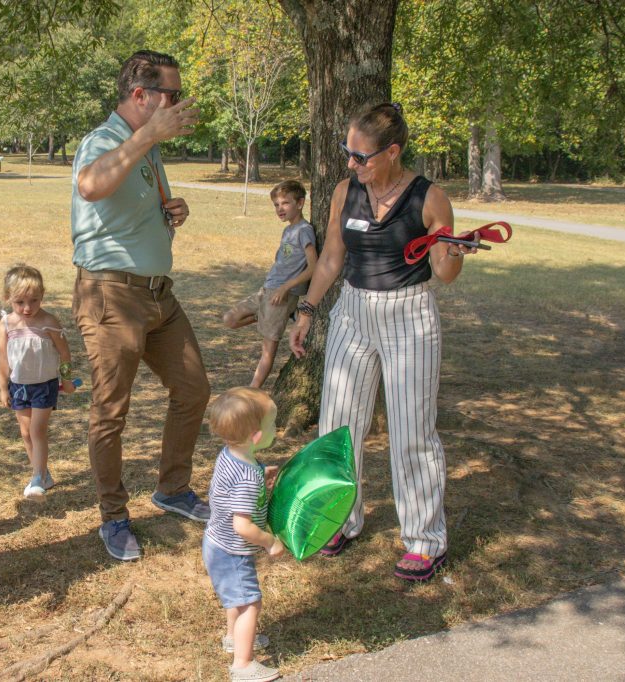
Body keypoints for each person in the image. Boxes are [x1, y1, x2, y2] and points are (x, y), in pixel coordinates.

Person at [290, 102, 475, 582]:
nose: (351, 163)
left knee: (412, 430)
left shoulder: (429, 199)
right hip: (352, 309)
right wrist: (308, 311)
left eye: (361, 156)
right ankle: (341, 520)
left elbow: (444, 274)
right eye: (347, 153)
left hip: (408, 315)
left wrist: (452, 253)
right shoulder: (344, 192)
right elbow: (331, 258)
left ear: (392, 152)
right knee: (337, 424)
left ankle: (424, 540)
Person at [71, 50, 211, 561]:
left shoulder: (148, 149)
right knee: (111, 411)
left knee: (194, 389)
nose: (176, 104)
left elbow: (130, 208)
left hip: (158, 296)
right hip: (112, 294)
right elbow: (91, 185)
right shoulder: (106, 140)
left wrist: (172, 210)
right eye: (170, 95)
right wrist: (149, 135)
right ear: (141, 96)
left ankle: (172, 489)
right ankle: (114, 517)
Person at [203, 387, 285, 682]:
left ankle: (232, 638)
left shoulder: (232, 455)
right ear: (256, 436)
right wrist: (270, 542)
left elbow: (231, 489)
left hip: (217, 543)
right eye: (273, 424)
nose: (277, 428)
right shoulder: (248, 477)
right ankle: (243, 664)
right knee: (250, 602)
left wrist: (262, 477)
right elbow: (242, 526)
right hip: (231, 551)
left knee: (235, 599)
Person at [223, 180, 317, 388]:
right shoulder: (288, 230)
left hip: (282, 295)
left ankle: (252, 390)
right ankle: (264, 316)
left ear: (300, 203)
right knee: (229, 319)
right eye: (276, 204)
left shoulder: (304, 230)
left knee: (267, 350)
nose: (279, 209)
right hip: (266, 290)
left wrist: (285, 288)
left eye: (285, 203)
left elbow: (313, 267)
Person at [0, 264, 76, 500]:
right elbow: (2, 357)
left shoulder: (49, 322)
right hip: (18, 385)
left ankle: (37, 478)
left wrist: (67, 379)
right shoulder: (6, 324)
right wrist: (3, 388)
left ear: (42, 296)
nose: (27, 308)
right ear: (7, 298)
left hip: (45, 384)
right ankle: (42, 473)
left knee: (37, 429)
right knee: (25, 432)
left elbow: (65, 353)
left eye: (34, 300)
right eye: (20, 302)